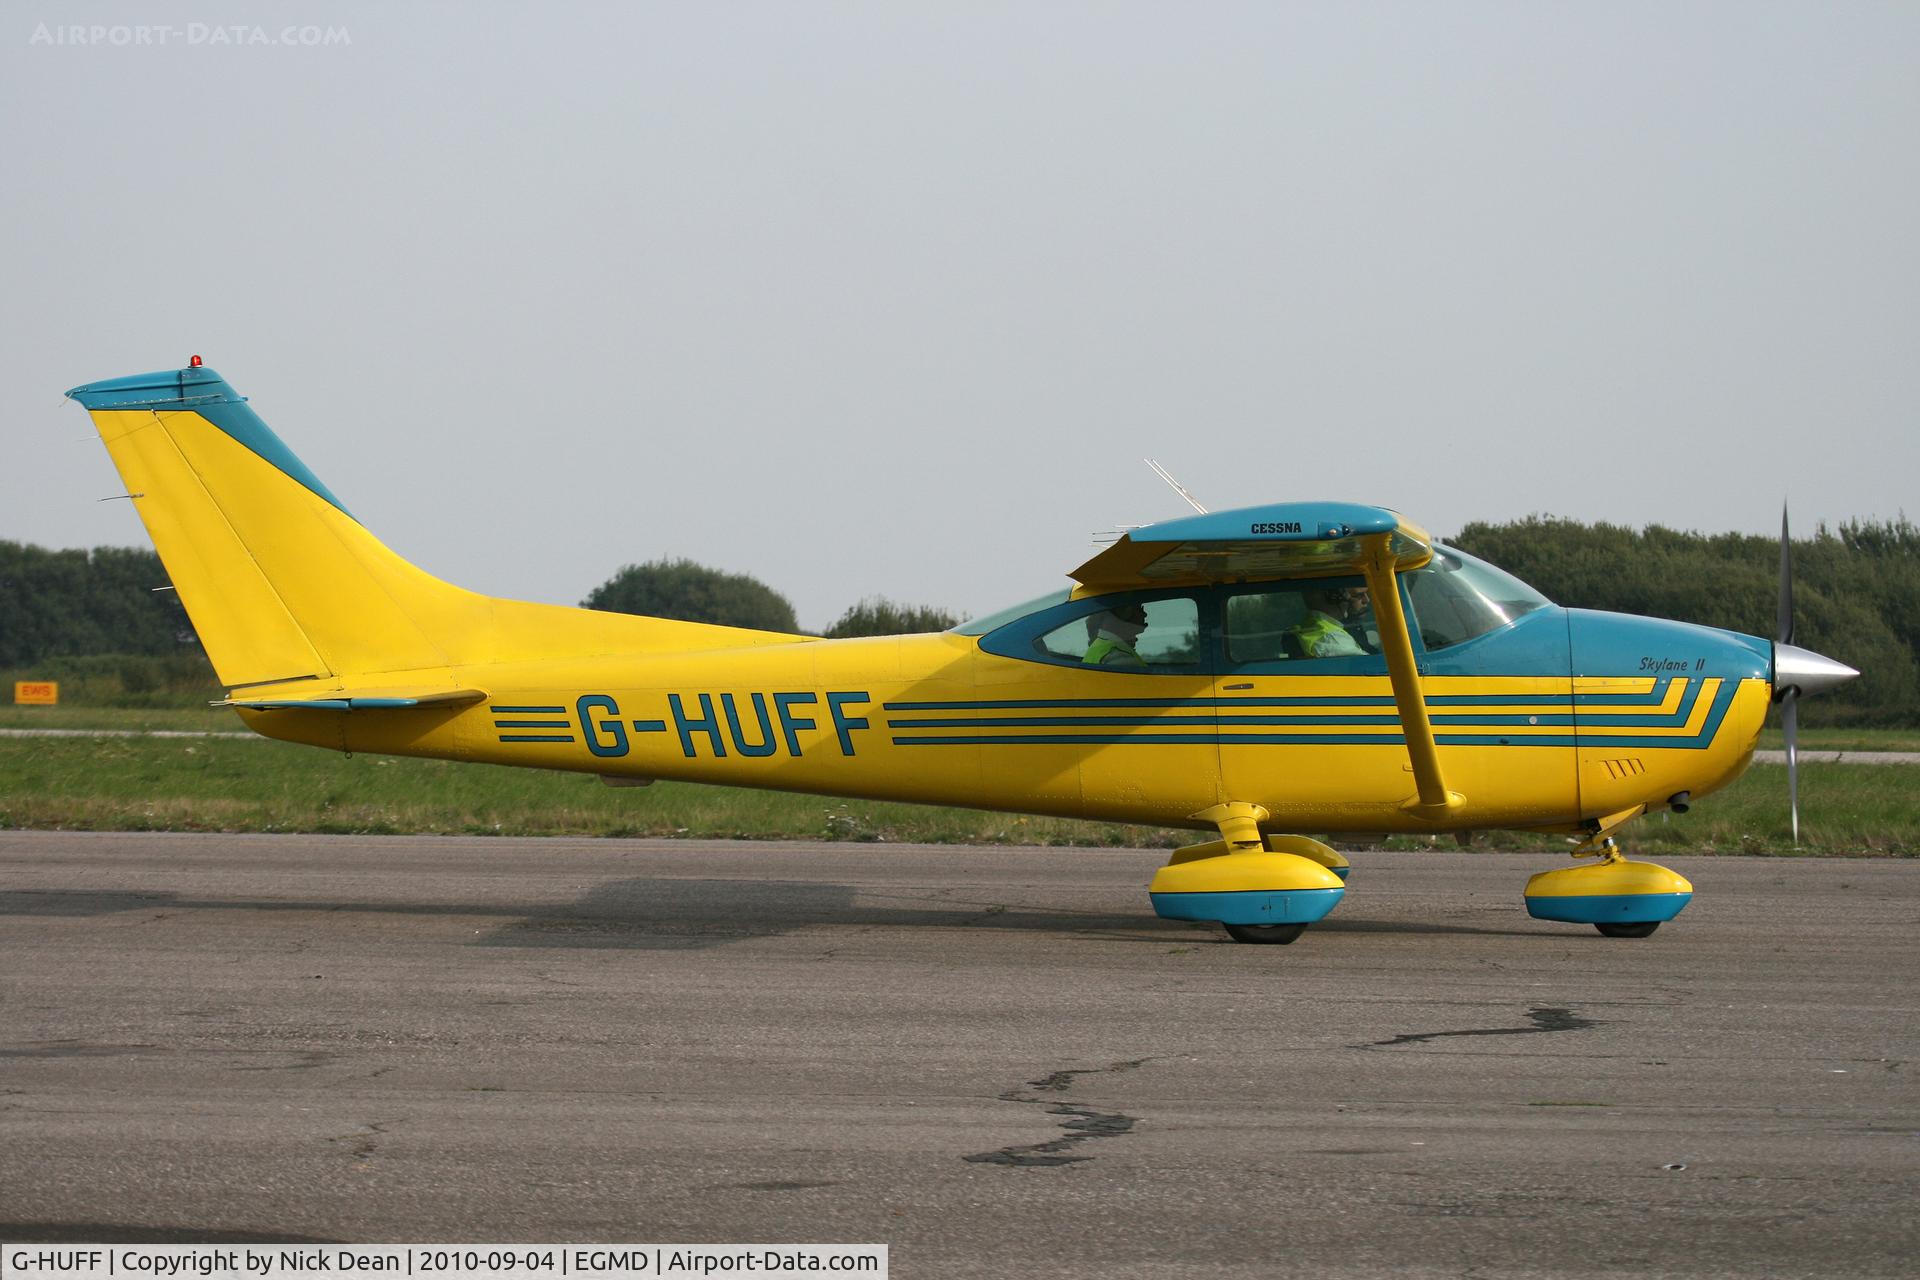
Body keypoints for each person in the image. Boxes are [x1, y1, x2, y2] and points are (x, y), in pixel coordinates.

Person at [1290, 584, 1370, 657]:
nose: (1367, 600)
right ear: (1333, 596)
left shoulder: (1311, 624)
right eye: (1358, 595)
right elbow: (1368, 665)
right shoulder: (1332, 639)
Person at [1083, 603, 1149, 668]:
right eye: (1140, 609)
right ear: (1125, 613)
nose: (1145, 614)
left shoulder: (1098, 646)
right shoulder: (1118, 657)